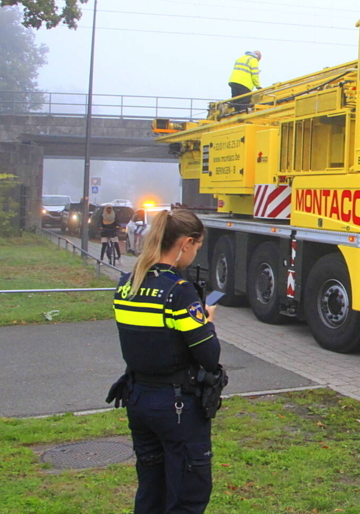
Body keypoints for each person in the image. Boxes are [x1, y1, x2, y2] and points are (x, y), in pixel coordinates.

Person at [109, 209, 222, 514]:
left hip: (138, 398)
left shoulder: (127, 284)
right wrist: (206, 320)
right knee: (187, 496)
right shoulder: (179, 292)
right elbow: (209, 356)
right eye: (196, 247)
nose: (195, 253)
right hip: (176, 407)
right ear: (186, 243)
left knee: (151, 490)